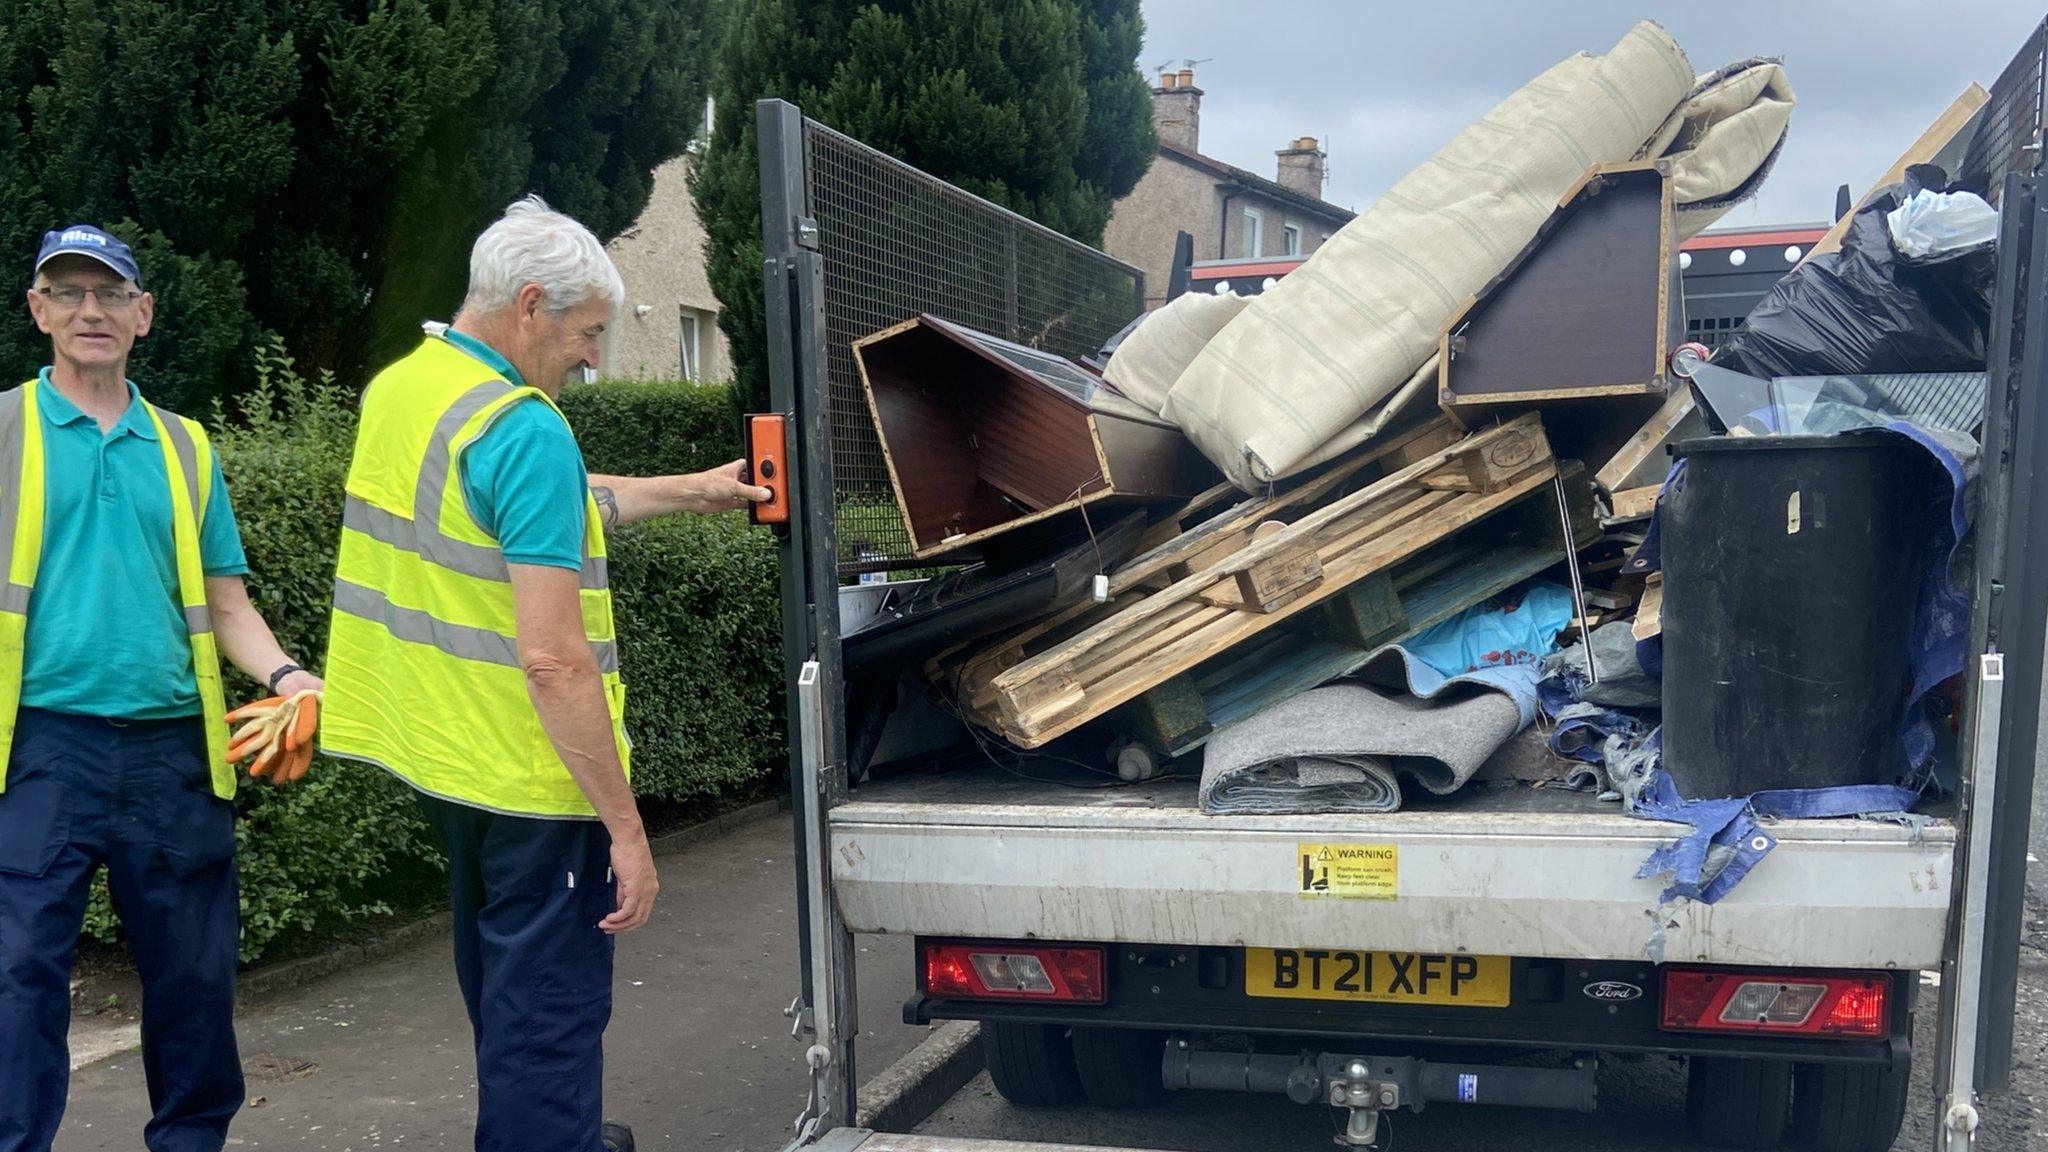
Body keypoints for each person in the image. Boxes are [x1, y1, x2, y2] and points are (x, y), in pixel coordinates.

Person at [319, 195, 770, 1152]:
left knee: (507, 1002)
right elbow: (555, 658)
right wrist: (629, 831)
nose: (595, 357)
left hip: (444, 757)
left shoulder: (410, 388)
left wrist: (695, 492)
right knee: (547, 1027)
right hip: (531, 774)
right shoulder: (523, 428)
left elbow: (534, 512)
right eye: (587, 333)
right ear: (530, 304)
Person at [0, 226, 324, 1152]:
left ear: (143, 315)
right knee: (19, 979)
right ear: (39, 311)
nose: (89, 311)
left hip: (174, 753)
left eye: (109, 295)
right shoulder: (4, 431)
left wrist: (289, 674)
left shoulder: (185, 447)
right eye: (68, 293)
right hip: (39, 750)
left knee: (191, 986)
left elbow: (227, 603)